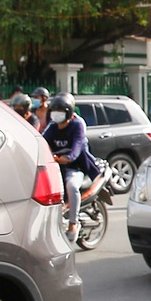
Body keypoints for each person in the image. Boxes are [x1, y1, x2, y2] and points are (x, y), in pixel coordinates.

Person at [41, 94, 102, 236]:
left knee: (72, 186)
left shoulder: (77, 125)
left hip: (76, 167)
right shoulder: (52, 127)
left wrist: (66, 158)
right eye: (54, 110)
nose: (56, 113)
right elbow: (41, 142)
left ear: (68, 112)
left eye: (60, 110)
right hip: (57, 168)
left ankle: (73, 224)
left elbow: (77, 147)